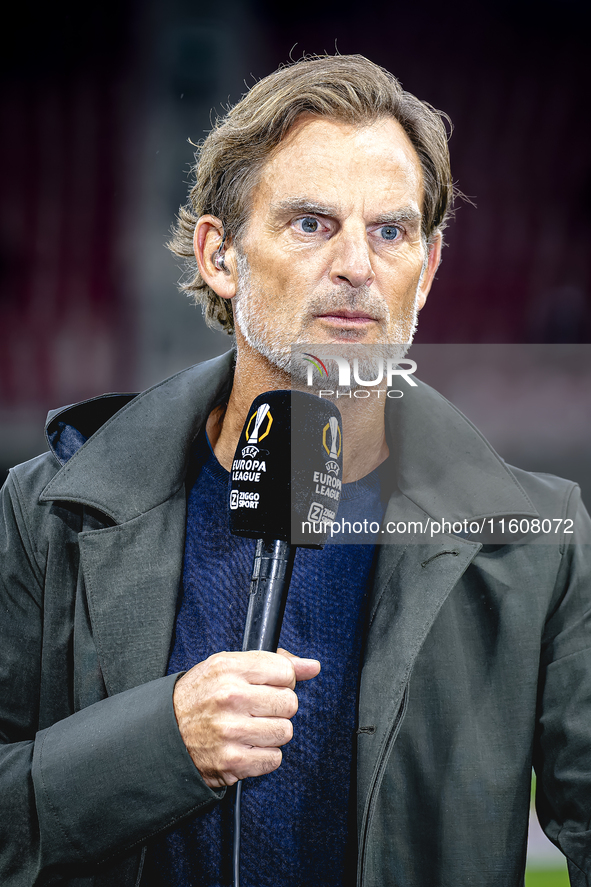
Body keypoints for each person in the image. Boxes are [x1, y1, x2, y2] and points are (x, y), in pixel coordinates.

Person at [1, 54, 590, 887]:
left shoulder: (539, 545)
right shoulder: (47, 512)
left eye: (390, 231)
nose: (357, 264)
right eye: (312, 223)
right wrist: (157, 745)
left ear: (425, 273)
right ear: (219, 255)